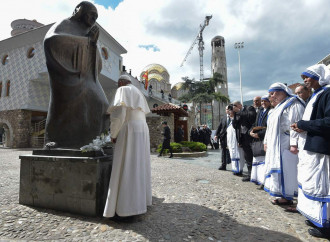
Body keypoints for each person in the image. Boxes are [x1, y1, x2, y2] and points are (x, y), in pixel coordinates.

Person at [44, 1, 109, 148]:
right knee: (68, 107)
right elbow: (51, 41)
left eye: (96, 17)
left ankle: (93, 143)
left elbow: (97, 65)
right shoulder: (65, 24)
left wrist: (92, 44)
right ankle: (57, 140)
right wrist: (87, 41)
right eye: (92, 15)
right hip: (67, 78)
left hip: (87, 77)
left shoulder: (88, 31)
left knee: (103, 104)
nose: (94, 20)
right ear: (80, 11)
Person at [103, 74, 152, 218]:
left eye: (118, 84)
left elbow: (119, 114)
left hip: (129, 128)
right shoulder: (139, 92)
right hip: (142, 129)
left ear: (121, 82)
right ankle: (140, 202)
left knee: (126, 163)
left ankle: (127, 207)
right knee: (139, 164)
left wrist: (113, 134)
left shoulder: (123, 90)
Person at [291, 64, 330, 239]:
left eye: (307, 77)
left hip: (322, 149)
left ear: (318, 76)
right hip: (312, 147)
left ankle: (326, 225)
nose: (305, 80)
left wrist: (302, 125)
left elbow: (328, 122)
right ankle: (316, 218)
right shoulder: (317, 95)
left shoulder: (327, 93)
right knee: (313, 184)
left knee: (322, 187)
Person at [263, 82, 305, 206]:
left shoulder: (293, 103)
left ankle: (288, 196)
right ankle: (280, 194)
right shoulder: (278, 108)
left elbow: (295, 123)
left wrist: (294, 143)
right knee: (278, 170)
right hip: (275, 144)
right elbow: (269, 128)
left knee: (287, 170)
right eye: (270, 94)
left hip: (286, 143)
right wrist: (266, 142)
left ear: (282, 92)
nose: (271, 97)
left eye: (273, 93)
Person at [249, 95, 271, 188]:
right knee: (258, 160)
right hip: (257, 138)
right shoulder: (261, 111)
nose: (263, 103)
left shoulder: (271, 111)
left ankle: (264, 181)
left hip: (265, 138)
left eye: (265, 101)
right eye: (262, 101)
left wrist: (260, 134)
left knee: (265, 162)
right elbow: (255, 124)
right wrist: (251, 131)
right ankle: (258, 179)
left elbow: (269, 127)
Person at [232, 101, 257, 181]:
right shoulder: (237, 113)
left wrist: (239, 112)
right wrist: (234, 115)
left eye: (235, 105)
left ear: (240, 105)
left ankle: (256, 175)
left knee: (254, 157)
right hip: (243, 138)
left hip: (251, 136)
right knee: (247, 157)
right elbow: (235, 125)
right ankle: (250, 175)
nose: (234, 107)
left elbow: (251, 117)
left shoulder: (249, 108)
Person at [227, 104, 245, 176]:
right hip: (231, 142)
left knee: (239, 155)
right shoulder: (230, 120)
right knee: (233, 155)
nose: (230, 112)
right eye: (229, 110)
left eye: (231, 110)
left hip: (237, 140)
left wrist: (239, 140)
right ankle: (235, 169)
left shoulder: (238, 118)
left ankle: (239, 170)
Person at [214, 105, 232, 170]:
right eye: (227, 109)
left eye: (229, 109)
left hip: (232, 138)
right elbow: (219, 127)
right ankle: (223, 165)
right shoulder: (223, 118)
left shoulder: (235, 117)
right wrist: (216, 134)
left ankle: (236, 167)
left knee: (233, 151)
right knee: (223, 151)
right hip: (224, 137)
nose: (228, 110)